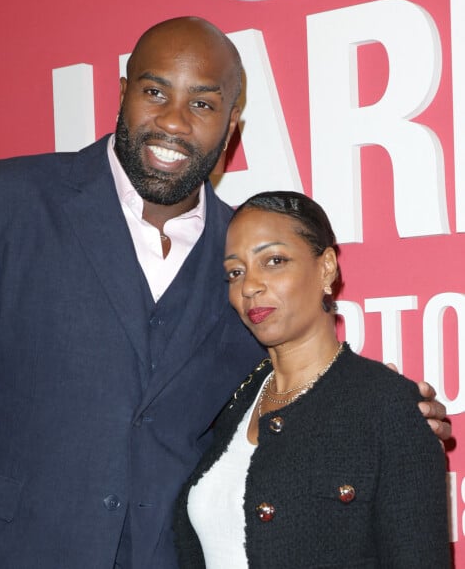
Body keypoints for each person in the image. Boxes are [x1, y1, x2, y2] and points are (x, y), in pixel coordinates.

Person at [0, 17, 449, 569]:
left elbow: (286, 399)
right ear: (124, 94)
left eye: (203, 104)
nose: (174, 121)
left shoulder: (244, 265)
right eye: (155, 91)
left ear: (230, 129)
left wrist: (396, 421)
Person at [174, 191, 450, 568]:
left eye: (273, 261)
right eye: (236, 272)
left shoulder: (389, 405)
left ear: (327, 268)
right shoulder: (233, 403)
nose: (250, 286)